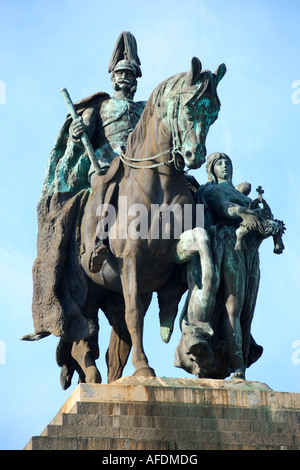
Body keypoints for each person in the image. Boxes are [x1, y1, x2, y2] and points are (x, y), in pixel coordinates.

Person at [175, 152, 264, 380]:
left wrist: (266, 222)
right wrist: (243, 212)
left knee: (246, 311)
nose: (224, 166)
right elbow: (223, 207)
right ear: (211, 169)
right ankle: (237, 367)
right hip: (228, 245)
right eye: (219, 163)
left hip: (250, 252)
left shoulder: (240, 193)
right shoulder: (212, 189)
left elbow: (260, 220)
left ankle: (239, 358)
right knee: (232, 306)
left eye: (227, 163)